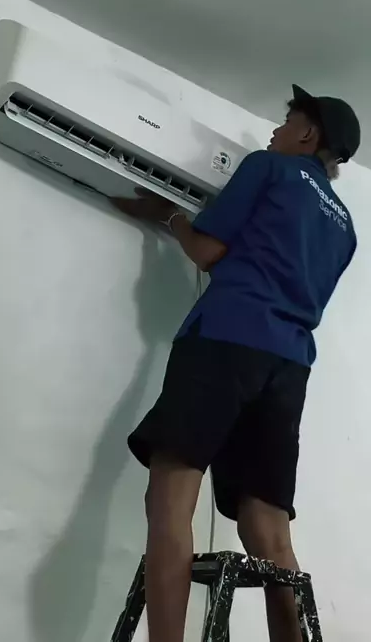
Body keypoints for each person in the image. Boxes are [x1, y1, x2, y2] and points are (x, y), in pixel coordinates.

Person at [113, 84, 360, 642]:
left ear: (308, 133)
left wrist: (171, 216)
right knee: (267, 528)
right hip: (290, 365)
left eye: (286, 121)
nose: (275, 131)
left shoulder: (269, 167)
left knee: (171, 495)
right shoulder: (345, 226)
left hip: (228, 335)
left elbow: (208, 251)